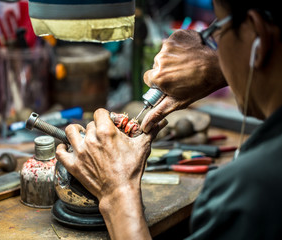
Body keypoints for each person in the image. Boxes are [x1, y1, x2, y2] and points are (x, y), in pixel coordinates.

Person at [56, 0, 282, 239]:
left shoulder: (247, 193)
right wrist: (221, 65)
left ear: (257, 35)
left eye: (216, 32)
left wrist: (117, 192)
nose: (212, 43)